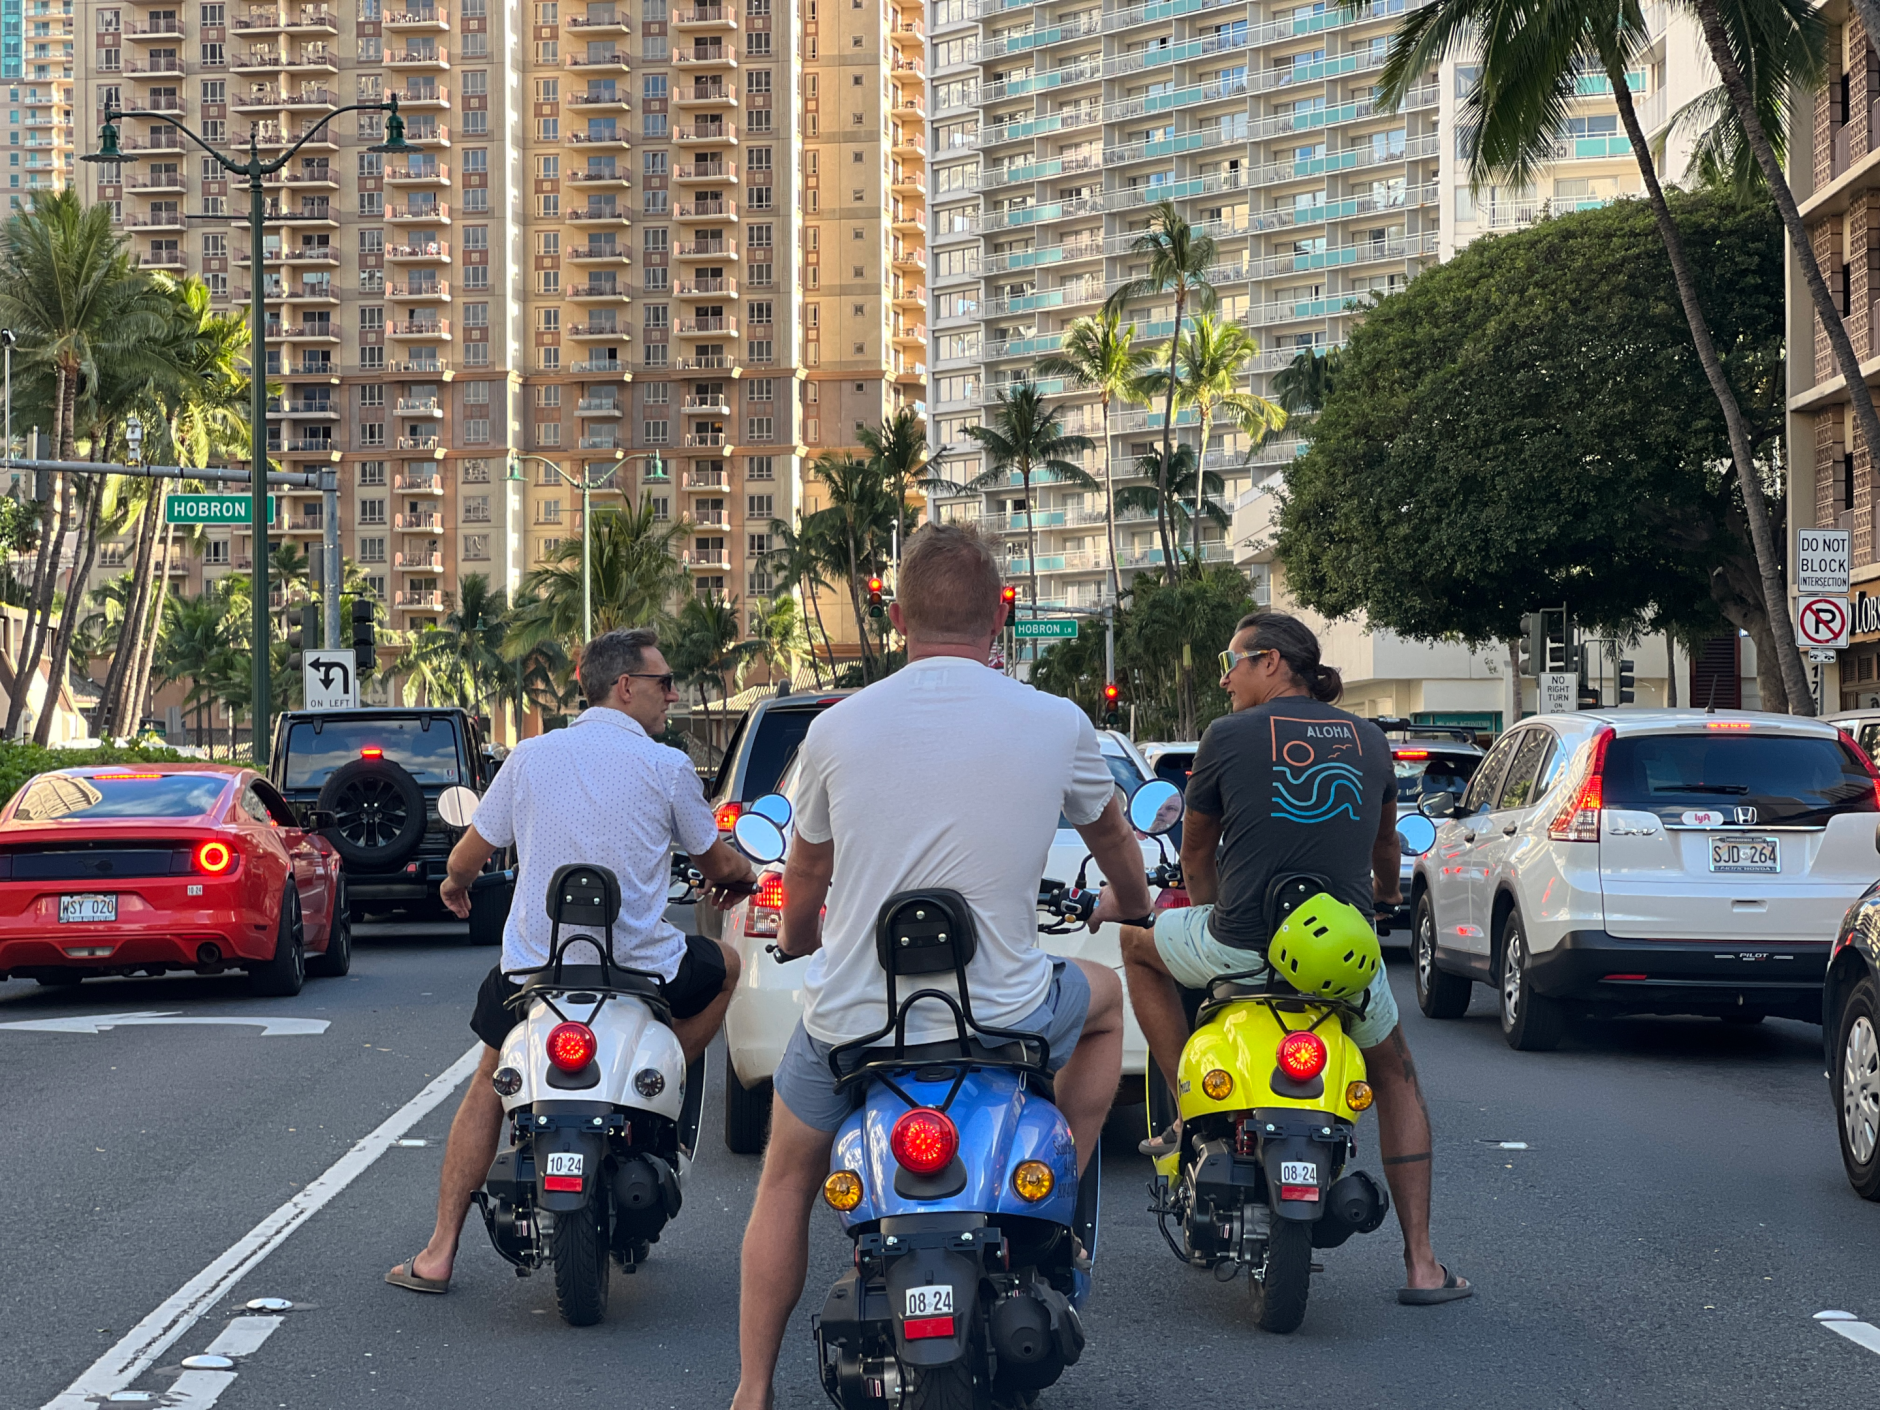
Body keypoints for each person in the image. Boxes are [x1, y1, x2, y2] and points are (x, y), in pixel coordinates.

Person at [729, 524, 1154, 1410]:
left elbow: (805, 870)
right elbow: (1113, 835)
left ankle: (752, 1390)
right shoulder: (1056, 720)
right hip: (1007, 1021)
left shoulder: (837, 729)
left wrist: (802, 935)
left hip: (854, 1026)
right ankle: (1057, 1198)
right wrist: (1133, 902)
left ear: (897, 615)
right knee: (1108, 1003)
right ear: (998, 616)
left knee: (784, 1182)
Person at [385, 626, 753, 1296]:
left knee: (487, 1083)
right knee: (727, 965)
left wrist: (455, 887)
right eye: (663, 682)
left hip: (535, 978)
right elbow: (717, 861)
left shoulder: (529, 758)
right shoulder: (665, 766)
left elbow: (470, 855)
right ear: (625, 687)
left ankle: (439, 1252)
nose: (672, 694)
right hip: (644, 973)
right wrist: (742, 876)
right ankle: (649, 1079)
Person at [1118, 611, 1472, 1306]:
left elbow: (1195, 850)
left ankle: (1189, 1106)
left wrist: (1212, 912)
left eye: (1233, 659)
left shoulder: (1226, 737)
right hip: (1340, 965)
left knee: (1134, 950)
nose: (1225, 676)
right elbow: (1385, 852)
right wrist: (1379, 900)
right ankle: (1422, 1264)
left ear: (1273, 662)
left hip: (1240, 947)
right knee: (1396, 1074)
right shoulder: (1369, 739)